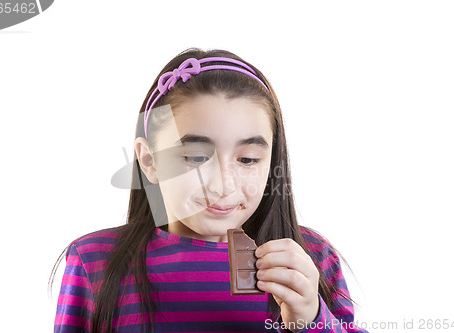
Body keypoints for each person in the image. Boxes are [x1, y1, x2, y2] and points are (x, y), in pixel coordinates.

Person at [51, 48, 369, 333]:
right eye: (196, 158)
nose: (223, 184)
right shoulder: (94, 261)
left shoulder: (310, 257)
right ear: (150, 161)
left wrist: (311, 318)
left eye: (247, 159)